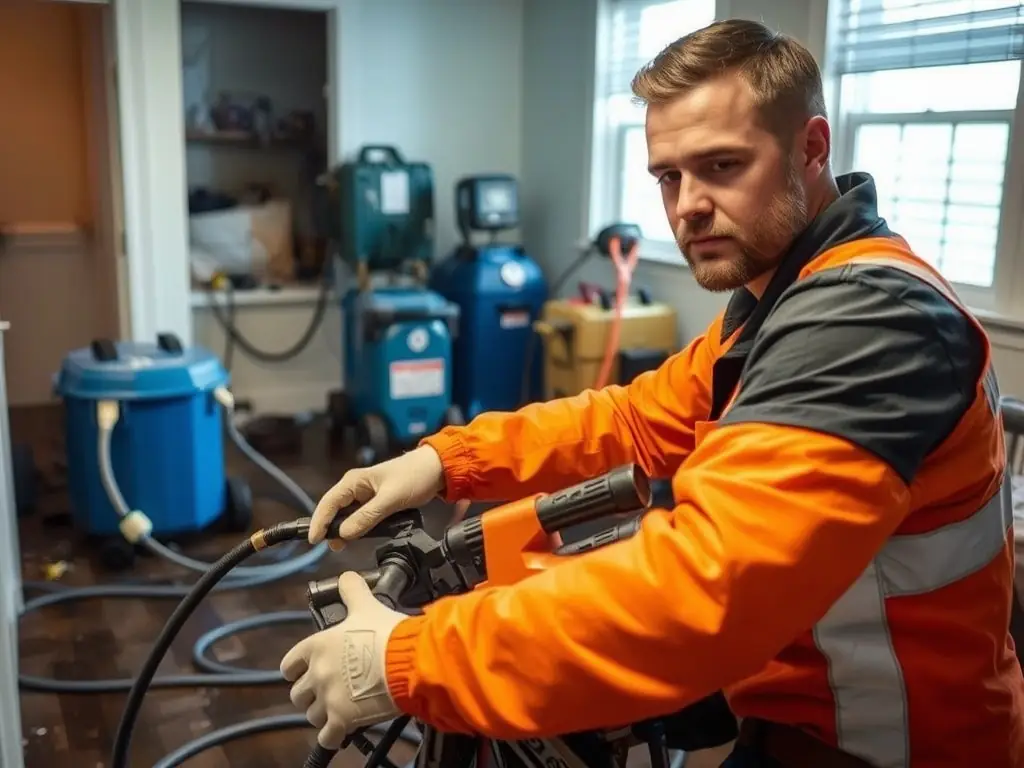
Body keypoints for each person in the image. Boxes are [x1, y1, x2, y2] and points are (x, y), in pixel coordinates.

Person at [280, 18, 1024, 768]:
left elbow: (702, 593)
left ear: (812, 147)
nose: (688, 205)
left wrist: (407, 660)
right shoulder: (783, 299)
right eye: (669, 177)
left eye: (722, 165)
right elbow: (635, 419)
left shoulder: (865, 321)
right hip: (796, 707)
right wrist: (445, 460)